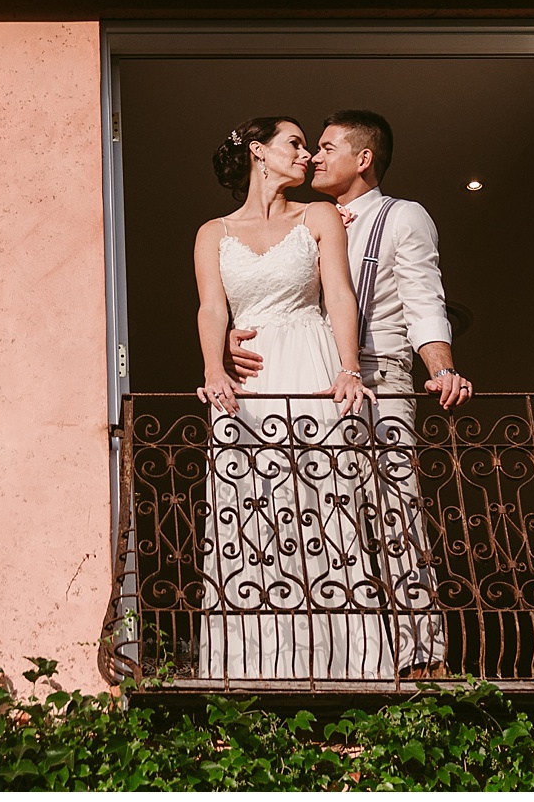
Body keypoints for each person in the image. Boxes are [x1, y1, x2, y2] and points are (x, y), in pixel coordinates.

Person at [228, 108, 469, 678]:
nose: (316, 155)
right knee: (323, 517)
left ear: (363, 159)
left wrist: (441, 367)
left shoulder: (401, 217)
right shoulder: (305, 217)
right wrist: (231, 337)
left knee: (391, 511)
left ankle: (418, 656)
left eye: (329, 146)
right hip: (310, 380)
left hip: (380, 380)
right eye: (312, 146)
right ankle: (326, 652)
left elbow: (423, 301)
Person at [192, 115, 385, 681]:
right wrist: (212, 368)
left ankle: (348, 663)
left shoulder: (320, 216)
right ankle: (254, 662)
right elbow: (211, 308)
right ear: (259, 152)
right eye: (295, 144)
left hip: (311, 359)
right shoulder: (213, 233)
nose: (307, 156)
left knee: (325, 504)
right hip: (249, 380)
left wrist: (350, 369)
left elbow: (340, 295)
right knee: (250, 513)